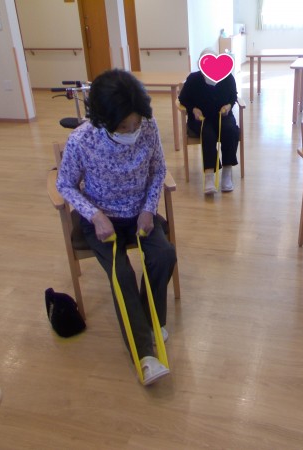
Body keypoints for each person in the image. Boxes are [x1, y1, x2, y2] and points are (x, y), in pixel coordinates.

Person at [56, 69, 177, 386]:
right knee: (121, 273)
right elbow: (65, 184)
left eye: (135, 124)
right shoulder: (81, 140)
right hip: (102, 221)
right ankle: (145, 355)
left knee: (164, 255)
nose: (132, 131)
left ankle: (150, 321)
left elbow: (158, 170)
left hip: (140, 214)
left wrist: (149, 209)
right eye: (124, 127)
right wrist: (94, 215)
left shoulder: (148, 127)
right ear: (104, 120)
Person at [178, 48, 240, 194]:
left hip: (222, 116)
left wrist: (228, 106)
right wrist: (193, 109)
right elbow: (183, 99)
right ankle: (209, 176)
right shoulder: (193, 79)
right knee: (208, 133)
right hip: (201, 118)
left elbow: (233, 96)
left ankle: (227, 173)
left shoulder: (227, 77)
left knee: (230, 130)